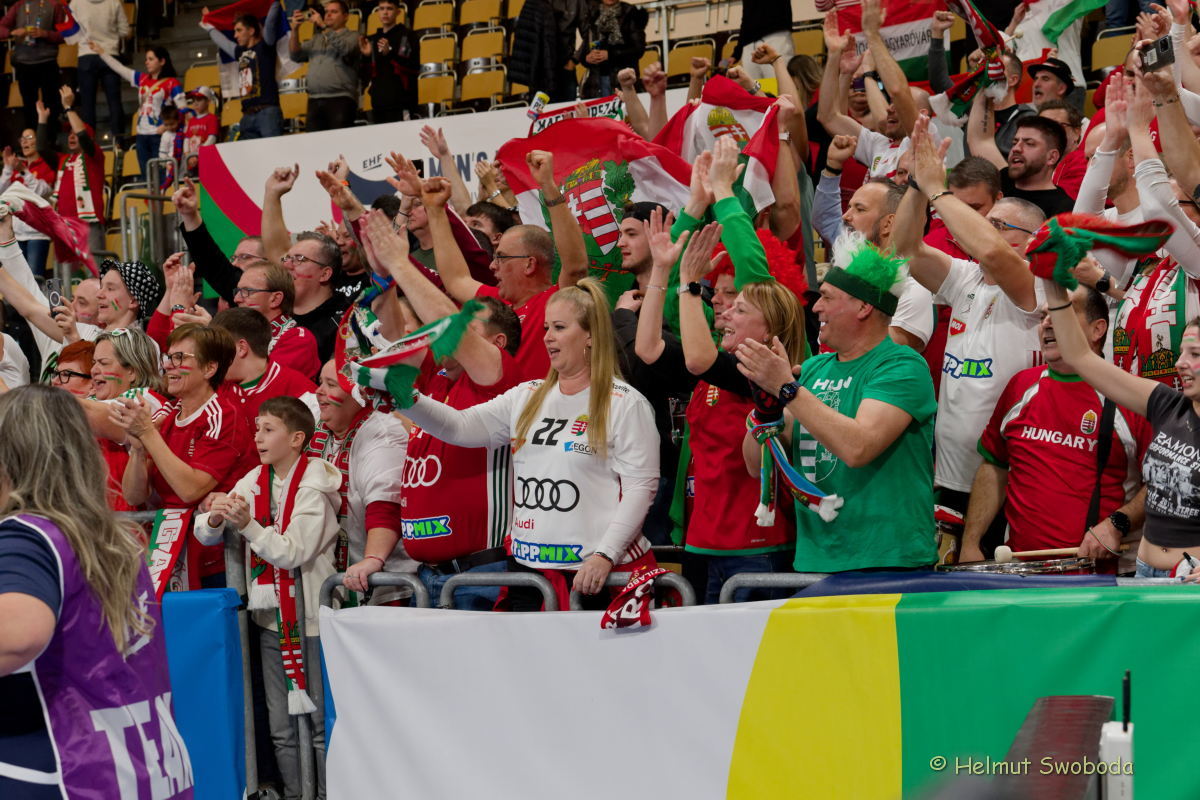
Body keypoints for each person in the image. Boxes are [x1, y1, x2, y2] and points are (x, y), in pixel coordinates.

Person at [401, 279, 661, 610]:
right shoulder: (527, 395)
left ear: (591, 335)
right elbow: (458, 427)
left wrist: (605, 555)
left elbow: (641, 488)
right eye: (546, 327)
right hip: (528, 573)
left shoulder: (625, 403)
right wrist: (403, 397)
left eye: (560, 328)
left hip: (596, 574)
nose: (548, 337)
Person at [0, 385, 194, 798]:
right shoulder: (109, 537)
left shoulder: (27, 536)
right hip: (138, 768)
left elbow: (18, 637)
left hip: (64, 771)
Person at [344, 210, 524, 609]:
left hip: (484, 574)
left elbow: (445, 321)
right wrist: (383, 277)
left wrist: (400, 262)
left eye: (467, 329)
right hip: (429, 575)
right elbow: (394, 334)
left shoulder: (499, 379)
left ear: (496, 343)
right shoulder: (438, 379)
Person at [636, 201, 805, 602]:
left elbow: (699, 359)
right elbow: (648, 348)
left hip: (756, 547)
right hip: (702, 542)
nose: (723, 309)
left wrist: (689, 283)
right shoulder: (715, 370)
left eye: (737, 304)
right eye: (722, 295)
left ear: (770, 327)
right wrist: (661, 269)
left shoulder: (764, 372)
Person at [895, 113, 1046, 555]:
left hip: (1007, 476)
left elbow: (995, 253)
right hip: (950, 473)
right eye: (988, 221)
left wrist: (939, 190)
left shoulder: (1038, 282)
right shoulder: (966, 276)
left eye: (999, 224)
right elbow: (906, 248)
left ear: (1033, 240)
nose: (984, 231)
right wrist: (916, 186)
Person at [738, 242, 938, 573]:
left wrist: (786, 389)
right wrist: (766, 413)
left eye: (827, 297)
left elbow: (859, 447)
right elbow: (754, 465)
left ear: (863, 306)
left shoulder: (902, 366)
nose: (816, 308)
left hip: (888, 562)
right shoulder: (813, 369)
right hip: (816, 559)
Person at [196, 396, 339, 799]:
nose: (257, 437)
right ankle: (294, 795)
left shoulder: (315, 486)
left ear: (296, 439)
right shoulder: (255, 479)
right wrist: (215, 516)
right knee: (281, 729)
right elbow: (205, 533)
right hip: (271, 622)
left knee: (317, 727)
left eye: (268, 429)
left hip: (311, 621)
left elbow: (292, 552)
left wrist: (249, 526)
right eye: (257, 428)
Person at [964, 284, 1150, 565]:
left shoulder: (1132, 397)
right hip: (1021, 571)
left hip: (1102, 579)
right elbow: (994, 466)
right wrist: (971, 542)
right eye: (1043, 316)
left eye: (1062, 312)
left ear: (1098, 330)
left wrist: (1117, 524)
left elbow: (1163, 484)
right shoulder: (1021, 385)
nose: (1047, 324)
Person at [1039, 275, 1200, 578]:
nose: (1180, 363)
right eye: (1181, 352)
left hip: (1190, 582)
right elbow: (1079, 356)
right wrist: (1051, 284)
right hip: (1144, 572)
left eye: (1195, 355)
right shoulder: (1167, 404)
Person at [113, 323, 256, 591]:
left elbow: (190, 489)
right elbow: (133, 495)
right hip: (169, 552)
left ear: (209, 368)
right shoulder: (165, 415)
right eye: (169, 357)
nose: (168, 365)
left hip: (219, 560)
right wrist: (138, 449)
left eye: (180, 358)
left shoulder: (224, 416)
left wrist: (148, 434)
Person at [815, 136, 936, 352]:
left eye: (859, 209)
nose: (845, 216)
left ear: (888, 223)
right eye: (849, 207)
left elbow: (880, 356)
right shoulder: (844, 272)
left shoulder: (912, 290)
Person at [310, 360, 409, 605]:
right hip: (336, 580)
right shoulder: (315, 419)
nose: (319, 391)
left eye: (331, 384)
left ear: (360, 393)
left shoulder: (384, 433)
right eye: (320, 382)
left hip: (384, 585)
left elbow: (386, 505)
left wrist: (373, 558)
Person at [261, 166, 351, 363]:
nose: (287, 265)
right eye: (287, 258)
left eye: (299, 259)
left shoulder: (346, 323)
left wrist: (343, 189)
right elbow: (276, 250)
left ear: (325, 274)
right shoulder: (276, 316)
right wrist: (272, 194)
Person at [79, 326, 169, 511]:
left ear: (132, 371)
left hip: (138, 521)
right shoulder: (96, 399)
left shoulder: (145, 401)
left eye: (104, 363)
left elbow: (88, 414)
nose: (94, 370)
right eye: (94, 363)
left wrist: (32, 399)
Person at [91, 43, 184, 180]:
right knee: (147, 178)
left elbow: (183, 109)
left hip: (160, 135)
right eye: (146, 59)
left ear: (162, 61)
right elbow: (119, 68)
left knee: (162, 176)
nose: (146, 62)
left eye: (151, 59)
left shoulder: (172, 83)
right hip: (141, 136)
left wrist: (166, 126)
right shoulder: (142, 79)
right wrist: (101, 52)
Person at [969, 99, 1075, 217]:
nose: (1016, 148)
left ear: (1051, 157)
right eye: (1015, 142)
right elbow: (980, 141)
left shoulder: (1063, 209)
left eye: (1029, 143)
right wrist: (986, 92)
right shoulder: (1002, 179)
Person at [211, 307, 317, 419]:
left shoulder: (302, 394)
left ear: (241, 348)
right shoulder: (212, 388)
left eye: (217, 349)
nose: (211, 358)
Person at [37, 86, 107, 256]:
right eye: (69, 134)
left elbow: (82, 134)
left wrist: (68, 107)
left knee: (94, 269)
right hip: (65, 224)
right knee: (67, 271)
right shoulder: (63, 159)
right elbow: (41, 147)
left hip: (89, 223)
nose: (71, 136)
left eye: (75, 133)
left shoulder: (94, 156)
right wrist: (42, 119)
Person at [203, 6, 283, 139]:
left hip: (268, 113)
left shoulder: (266, 46)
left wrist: (273, 3)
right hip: (247, 116)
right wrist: (208, 24)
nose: (235, 35)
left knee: (273, 152)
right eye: (235, 31)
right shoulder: (239, 52)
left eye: (239, 30)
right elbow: (223, 42)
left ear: (251, 31)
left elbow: (270, 22)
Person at [289, 0, 360, 132]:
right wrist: (295, 30)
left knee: (339, 142)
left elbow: (345, 49)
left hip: (340, 99)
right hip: (314, 100)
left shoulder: (354, 36)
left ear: (346, 16)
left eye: (334, 12)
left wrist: (323, 26)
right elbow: (295, 55)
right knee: (314, 144)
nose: (328, 15)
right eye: (326, 11)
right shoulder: (317, 38)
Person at [0, 0, 67, 129]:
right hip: (24, 63)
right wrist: (12, 32)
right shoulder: (19, 5)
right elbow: (1, 28)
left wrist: (45, 34)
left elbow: (64, 35)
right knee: (29, 106)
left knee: (51, 105)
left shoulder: (54, 5)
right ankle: (32, 137)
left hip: (47, 62)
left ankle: (50, 137)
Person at [72, 0, 131, 140]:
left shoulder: (75, 3)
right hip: (110, 54)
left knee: (87, 104)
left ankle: (89, 145)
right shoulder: (114, 2)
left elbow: (70, 32)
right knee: (114, 101)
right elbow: (125, 31)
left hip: (86, 54)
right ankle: (118, 142)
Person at [0, 130, 54, 277]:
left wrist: (24, 171)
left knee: (34, 281)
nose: (24, 141)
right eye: (22, 138)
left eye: (29, 137)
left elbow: (39, 193)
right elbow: (1, 193)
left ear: (39, 141)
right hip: (16, 234)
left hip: (37, 234)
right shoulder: (17, 167)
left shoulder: (46, 165)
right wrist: (8, 168)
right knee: (17, 282)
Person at [574, 0, 648, 99]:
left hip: (623, 81)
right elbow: (585, 48)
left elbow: (638, 49)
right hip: (596, 83)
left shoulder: (631, 13)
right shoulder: (592, 14)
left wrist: (610, 54)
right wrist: (586, 58)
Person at [360, 0, 417, 124]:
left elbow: (411, 66)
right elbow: (367, 74)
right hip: (378, 102)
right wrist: (366, 56)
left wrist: (390, 52)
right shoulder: (372, 39)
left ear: (398, 12)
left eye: (389, 8)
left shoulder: (407, 35)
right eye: (381, 8)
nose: (385, 12)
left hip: (401, 102)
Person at [736, 0, 792, 81]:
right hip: (749, 43)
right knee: (753, 86)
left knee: (779, 83)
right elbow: (746, 15)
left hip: (775, 36)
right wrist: (737, 51)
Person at [182, 86, 220, 176]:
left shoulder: (212, 118)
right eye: (193, 100)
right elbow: (186, 139)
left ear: (208, 101)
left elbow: (212, 139)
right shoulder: (191, 121)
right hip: (191, 160)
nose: (195, 103)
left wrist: (198, 155)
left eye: (199, 100)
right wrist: (188, 155)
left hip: (206, 159)